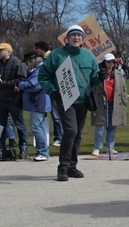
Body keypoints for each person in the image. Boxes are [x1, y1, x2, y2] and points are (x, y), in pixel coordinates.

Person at [38, 25, 101, 181]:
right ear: (67, 38)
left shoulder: (88, 56)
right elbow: (43, 77)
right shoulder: (56, 55)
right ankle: (63, 168)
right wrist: (53, 92)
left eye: (79, 35)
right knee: (71, 131)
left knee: (78, 134)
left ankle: (72, 166)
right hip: (65, 100)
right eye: (73, 35)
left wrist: (101, 76)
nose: (76, 38)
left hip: (83, 100)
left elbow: (93, 79)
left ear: (83, 39)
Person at [0, 43, 29, 159]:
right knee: (0, 126)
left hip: (14, 99)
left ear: (8, 52)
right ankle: (0, 150)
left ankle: (23, 149)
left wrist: (5, 84)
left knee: (20, 125)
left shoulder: (18, 63)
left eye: (1, 50)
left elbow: (21, 80)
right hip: (0, 99)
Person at [91, 53, 129, 156]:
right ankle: (97, 147)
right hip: (102, 102)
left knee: (112, 125)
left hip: (115, 102)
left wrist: (124, 99)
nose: (111, 64)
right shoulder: (98, 73)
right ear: (104, 62)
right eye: (109, 62)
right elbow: (93, 84)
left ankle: (110, 146)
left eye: (113, 62)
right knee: (101, 125)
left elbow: (123, 88)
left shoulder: (118, 73)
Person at [17, 53, 51, 161]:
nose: (27, 65)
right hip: (39, 102)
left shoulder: (40, 70)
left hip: (39, 103)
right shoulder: (38, 70)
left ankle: (43, 152)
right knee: (38, 127)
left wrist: (20, 84)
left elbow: (34, 85)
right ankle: (43, 151)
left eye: (28, 63)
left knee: (36, 127)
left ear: (33, 61)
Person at [33, 40, 63, 147]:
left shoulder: (51, 57)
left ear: (42, 49)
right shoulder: (43, 59)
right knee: (48, 115)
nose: (35, 50)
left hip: (53, 90)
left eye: (36, 48)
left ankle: (59, 137)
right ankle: (46, 137)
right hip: (46, 90)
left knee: (56, 115)